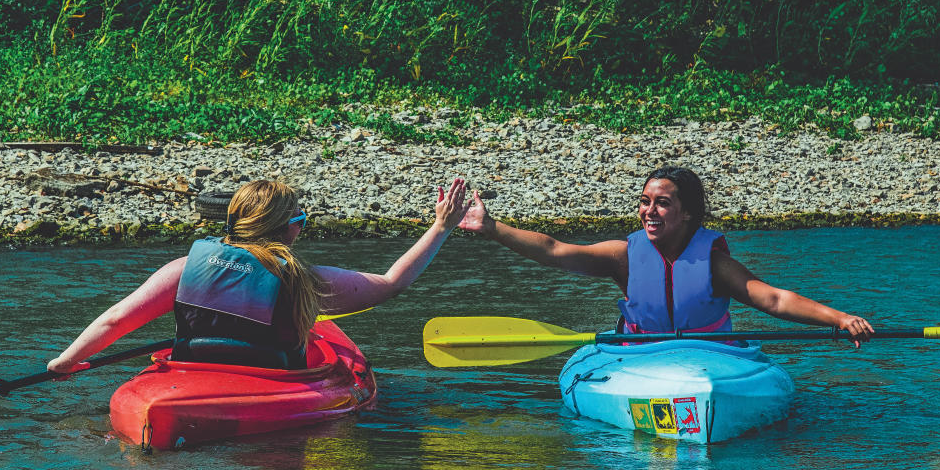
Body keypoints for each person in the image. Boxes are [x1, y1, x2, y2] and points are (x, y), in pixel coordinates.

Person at [48, 177, 471, 372]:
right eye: (301, 219)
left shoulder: (184, 269)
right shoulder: (303, 279)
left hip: (194, 373)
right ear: (292, 228)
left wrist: (65, 361)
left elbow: (116, 321)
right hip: (270, 381)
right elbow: (392, 284)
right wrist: (441, 226)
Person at [459, 166, 874, 344]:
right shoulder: (623, 255)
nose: (648, 211)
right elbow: (555, 250)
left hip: (708, 356)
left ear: (688, 213)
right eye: (644, 202)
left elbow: (774, 299)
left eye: (661, 203)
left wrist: (839, 319)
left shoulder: (712, 262)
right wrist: (492, 228)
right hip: (643, 355)